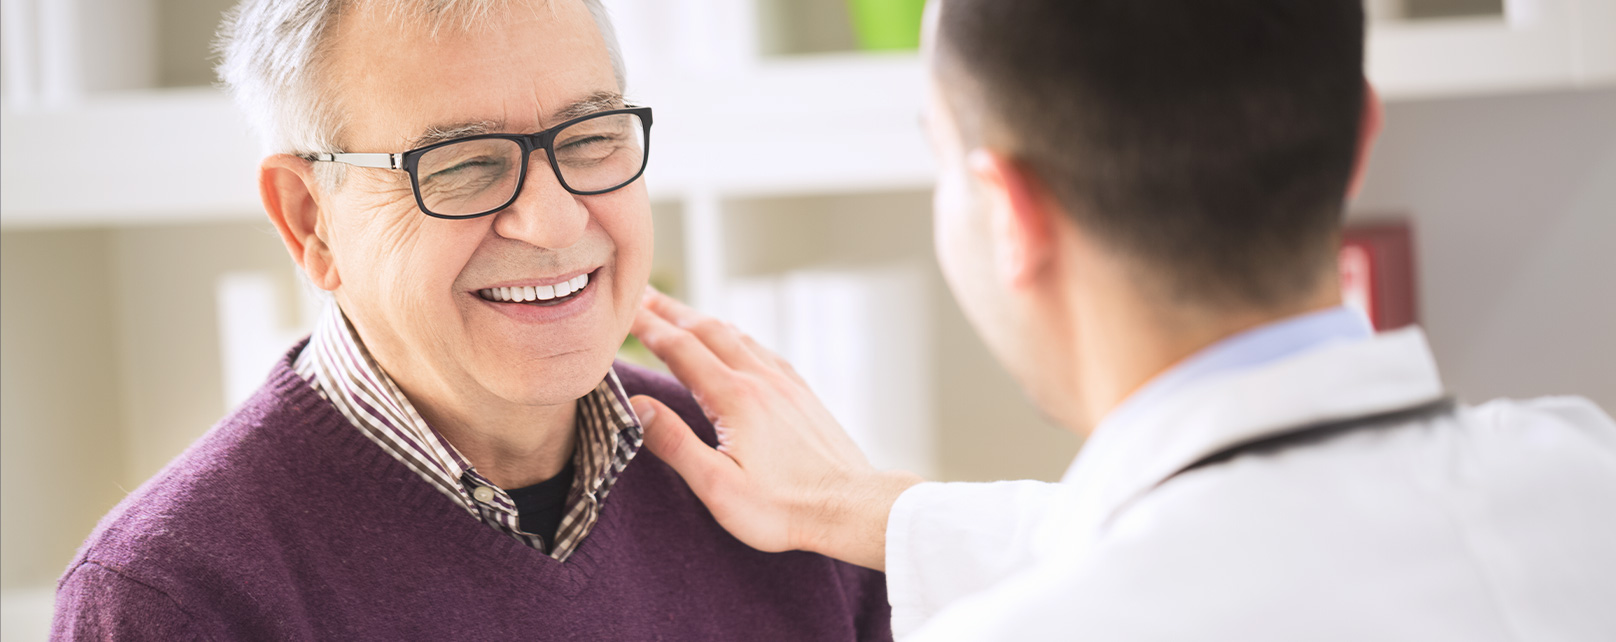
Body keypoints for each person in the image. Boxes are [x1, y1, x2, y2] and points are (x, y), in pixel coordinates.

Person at [627, 0, 1616, 639]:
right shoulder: (1580, 476)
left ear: (1008, 212)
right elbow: (1257, 536)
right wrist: (877, 510)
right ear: (1359, 139)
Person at [51, 1, 891, 639]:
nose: (557, 222)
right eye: (464, 164)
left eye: (591, 136)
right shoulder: (174, 594)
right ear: (311, 219)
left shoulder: (775, 482)